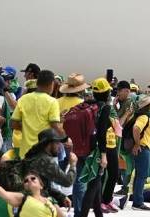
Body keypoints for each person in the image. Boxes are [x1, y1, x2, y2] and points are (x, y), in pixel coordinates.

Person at [76, 78, 112, 217]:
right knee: (93, 186)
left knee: (95, 184)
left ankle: (98, 214)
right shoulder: (105, 107)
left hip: (81, 148)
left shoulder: (86, 105)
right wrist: (103, 155)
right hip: (95, 151)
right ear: (108, 92)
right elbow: (102, 133)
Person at [11, 70, 62, 159]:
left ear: (37, 83)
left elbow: (13, 124)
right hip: (44, 154)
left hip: (26, 153)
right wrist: (65, 138)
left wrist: (27, 127)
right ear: (51, 84)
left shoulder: (23, 99)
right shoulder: (52, 101)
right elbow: (55, 126)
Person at [23, 128, 77, 207]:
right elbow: (68, 181)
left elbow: (44, 187)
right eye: (57, 143)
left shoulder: (35, 156)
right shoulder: (45, 160)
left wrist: (61, 196)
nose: (59, 146)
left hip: (31, 199)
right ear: (49, 144)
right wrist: (73, 165)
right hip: (36, 202)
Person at [0, 170, 65, 217]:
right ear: (24, 187)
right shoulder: (23, 198)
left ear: (41, 185)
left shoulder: (50, 201)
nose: (29, 180)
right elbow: (4, 194)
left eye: (33, 178)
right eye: (26, 181)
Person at [130, 95, 150, 211]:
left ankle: (136, 200)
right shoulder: (144, 117)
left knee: (139, 175)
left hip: (143, 147)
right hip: (143, 148)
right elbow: (136, 129)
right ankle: (138, 202)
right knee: (142, 175)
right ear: (147, 106)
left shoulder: (143, 116)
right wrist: (137, 144)